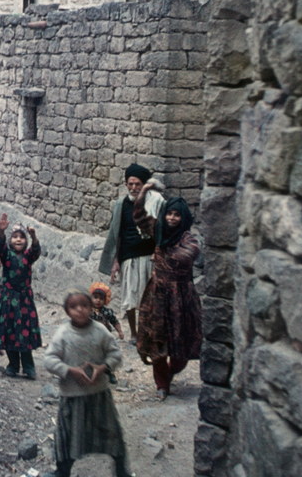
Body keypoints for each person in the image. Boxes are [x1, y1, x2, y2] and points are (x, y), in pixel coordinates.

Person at [43, 291, 131, 477]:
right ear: (67, 310)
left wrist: (103, 367)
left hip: (99, 395)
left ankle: (121, 470)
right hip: (72, 397)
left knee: (111, 434)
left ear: (91, 307)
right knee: (68, 437)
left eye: (84, 305)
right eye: (74, 306)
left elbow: (115, 354)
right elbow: (49, 360)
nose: (80, 310)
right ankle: (62, 471)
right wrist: (69, 370)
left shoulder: (100, 331)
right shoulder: (63, 333)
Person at [136, 193, 202, 400]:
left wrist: (162, 251)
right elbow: (139, 216)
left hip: (181, 296)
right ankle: (162, 384)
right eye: (169, 214)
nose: (172, 218)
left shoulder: (188, 239)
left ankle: (171, 371)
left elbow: (187, 255)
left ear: (183, 218)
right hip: (157, 295)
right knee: (157, 339)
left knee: (181, 342)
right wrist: (144, 190)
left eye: (177, 215)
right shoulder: (159, 230)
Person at [99, 163, 166, 343]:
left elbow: (161, 229)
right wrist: (116, 261)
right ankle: (134, 333)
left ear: (144, 185)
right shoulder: (121, 204)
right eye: (130, 184)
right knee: (129, 297)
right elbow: (117, 234)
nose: (134, 187)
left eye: (138, 184)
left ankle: (147, 332)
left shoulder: (155, 202)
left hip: (149, 256)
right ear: (126, 184)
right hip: (128, 256)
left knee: (148, 297)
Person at [0, 213, 42, 379]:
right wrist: (1, 231)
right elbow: (0, 247)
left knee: (24, 332)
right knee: (9, 331)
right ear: (10, 240)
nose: (18, 240)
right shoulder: (7, 256)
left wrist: (33, 236)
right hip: (8, 299)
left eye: (21, 237)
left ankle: (29, 367)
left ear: (25, 241)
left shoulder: (28, 256)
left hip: (24, 300)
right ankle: (13, 364)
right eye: (15, 237)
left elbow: (36, 250)